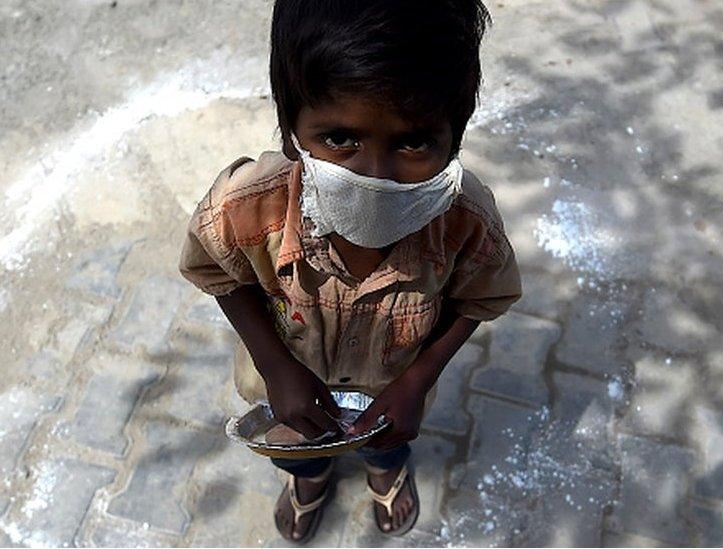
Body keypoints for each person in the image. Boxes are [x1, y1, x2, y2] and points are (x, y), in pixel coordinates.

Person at [179, 0, 521, 542]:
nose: (375, 175)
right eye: (340, 138)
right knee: (296, 453)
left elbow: (481, 299)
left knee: (387, 446)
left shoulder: (466, 220)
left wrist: (419, 378)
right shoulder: (248, 205)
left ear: (455, 135)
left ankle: (385, 475)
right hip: (288, 391)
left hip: (392, 395)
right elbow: (217, 272)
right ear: (291, 127)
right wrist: (274, 365)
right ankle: (308, 481)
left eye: (413, 142)